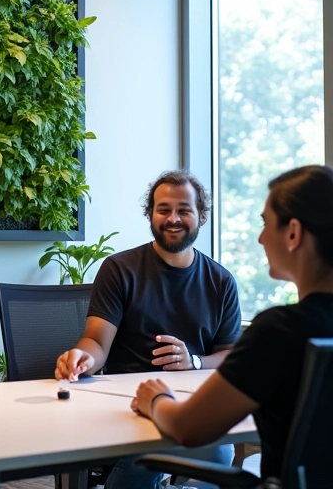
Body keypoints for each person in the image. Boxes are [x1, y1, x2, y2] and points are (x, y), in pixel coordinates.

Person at [132, 165, 333, 485]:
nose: (261, 237)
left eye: (266, 223)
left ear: (293, 233)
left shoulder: (279, 331)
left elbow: (189, 427)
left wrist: (155, 399)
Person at [55, 169, 242, 489]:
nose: (173, 218)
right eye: (163, 209)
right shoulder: (119, 269)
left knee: (220, 452)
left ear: (201, 216)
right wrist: (81, 357)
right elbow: (96, 342)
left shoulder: (221, 281)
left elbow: (230, 356)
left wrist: (194, 361)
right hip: (126, 405)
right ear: (150, 215)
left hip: (192, 402)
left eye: (184, 209)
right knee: (154, 444)